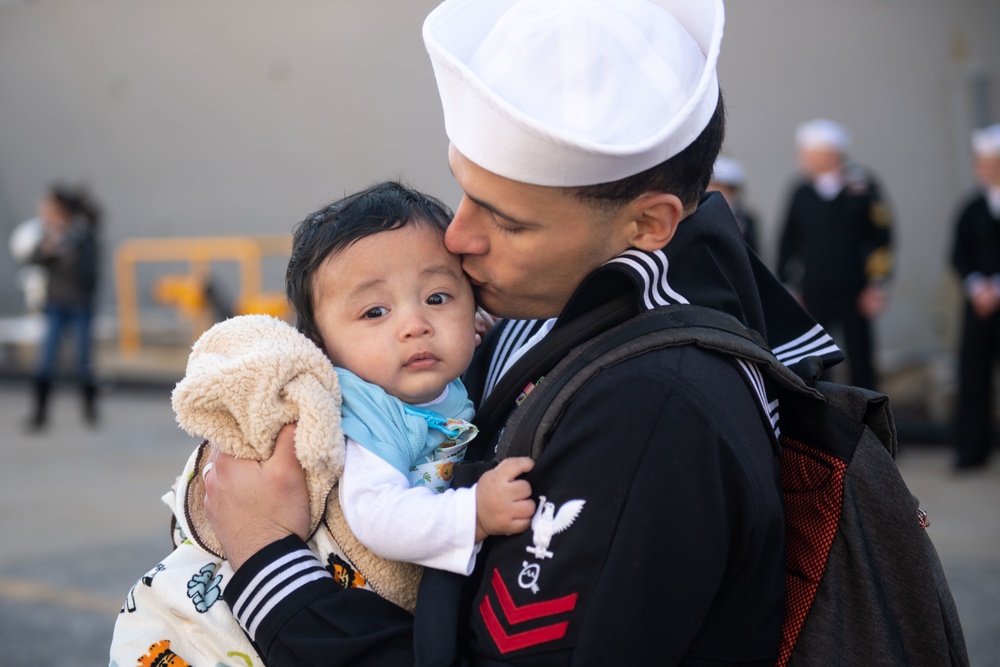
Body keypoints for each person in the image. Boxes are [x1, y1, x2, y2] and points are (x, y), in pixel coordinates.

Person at [203, 1, 842, 664]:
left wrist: (264, 559)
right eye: (463, 189)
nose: (457, 236)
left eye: (508, 222)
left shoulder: (654, 407)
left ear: (648, 224)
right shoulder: (551, 300)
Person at [111, 181, 536, 666]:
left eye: (438, 298)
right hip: (221, 628)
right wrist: (473, 515)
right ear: (323, 344)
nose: (415, 323)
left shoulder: (437, 380)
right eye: (375, 311)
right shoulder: (369, 408)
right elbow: (376, 515)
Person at [776, 118, 895, 390]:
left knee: (861, 356)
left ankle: (868, 415)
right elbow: (788, 241)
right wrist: (788, 286)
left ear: (830, 153)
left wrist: (878, 285)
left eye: (807, 152)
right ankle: (821, 417)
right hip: (813, 291)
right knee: (816, 357)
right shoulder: (801, 191)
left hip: (856, 290)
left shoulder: (862, 187)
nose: (801, 158)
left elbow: (882, 239)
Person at [24, 184, 102, 431]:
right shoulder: (49, 234)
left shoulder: (82, 235)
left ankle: (90, 412)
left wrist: (70, 258)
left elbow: (91, 273)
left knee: (83, 360)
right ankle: (39, 414)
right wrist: (49, 250)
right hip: (55, 304)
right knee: (46, 359)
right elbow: (33, 258)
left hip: (79, 304)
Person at [950, 124, 1000, 470]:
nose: (982, 167)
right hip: (978, 306)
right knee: (973, 377)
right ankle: (972, 450)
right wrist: (975, 285)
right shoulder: (971, 207)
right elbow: (957, 253)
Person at [708, 155, 760, 252]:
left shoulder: (746, 220)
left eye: (725, 189)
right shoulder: (699, 216)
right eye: (715, 186)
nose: (719, 193)